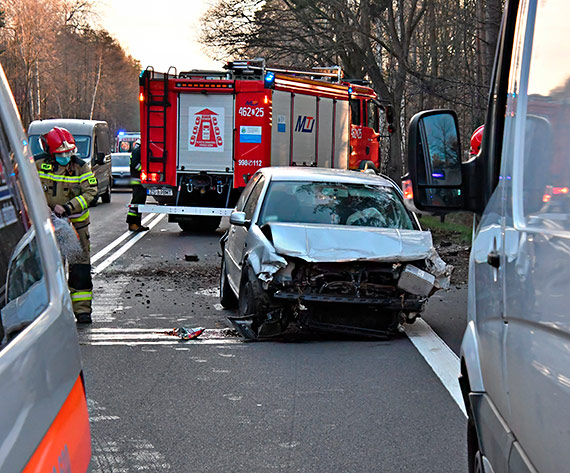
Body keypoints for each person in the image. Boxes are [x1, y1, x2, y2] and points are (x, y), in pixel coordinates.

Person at [35, 126, 97, 324]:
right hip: (45, 225)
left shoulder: (80, 166)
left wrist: (68, 208)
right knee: (49, 267)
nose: (66, 157)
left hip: (75, 227)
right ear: (50, 153)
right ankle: (49, 311)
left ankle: (82, 310)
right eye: (62, 154)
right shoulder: (37, 164)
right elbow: (23, 186)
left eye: (69, 152)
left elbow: (90, 192)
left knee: (79, 266)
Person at [126, 139, 149, 232]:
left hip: (139, 181)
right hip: (137, 180)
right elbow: (135, 164)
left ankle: (137, 224)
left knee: (140, 202)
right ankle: (132, 223)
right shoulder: (138, 151)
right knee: (136, 201)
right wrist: (144, 170)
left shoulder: (137, 151)